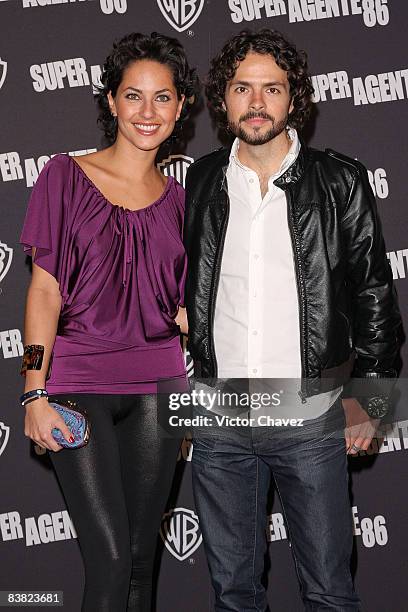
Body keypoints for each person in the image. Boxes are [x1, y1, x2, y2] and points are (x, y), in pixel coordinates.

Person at [183, 29, 401, 611]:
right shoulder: (198, 181)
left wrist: (372, 401)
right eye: (242, 88)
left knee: (329, 590)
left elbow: (375, 294)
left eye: (272, 89)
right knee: (233, 593)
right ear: (222, 99)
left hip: (310, 412)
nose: (257, 103)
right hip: (219, 414)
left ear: (293, 98)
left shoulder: (339, 181)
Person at [20, 32, 196, 612]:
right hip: (76, 386)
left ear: (180, 106)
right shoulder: (63, 177)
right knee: (110, 561)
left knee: (144, 564)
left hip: (161, 389)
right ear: (112, 102)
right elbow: (44, 291)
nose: (148, 113)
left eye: (162, 98)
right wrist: (32, 391)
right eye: (134, 96)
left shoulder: (180, 202)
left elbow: (185, 304)